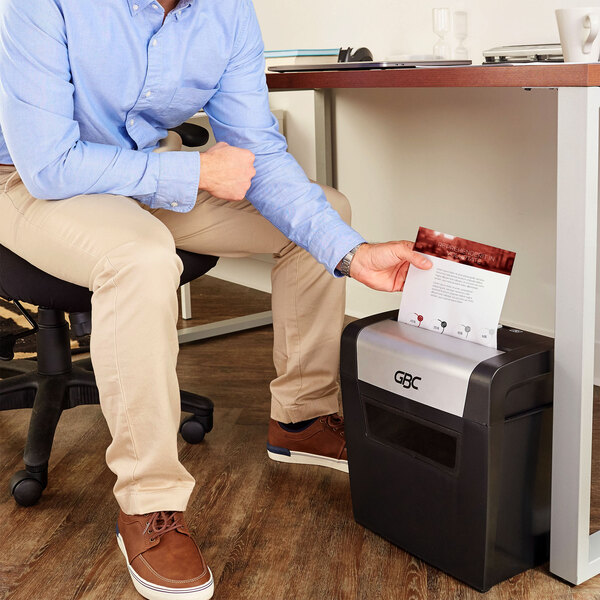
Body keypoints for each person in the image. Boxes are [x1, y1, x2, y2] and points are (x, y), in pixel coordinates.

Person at [0, 0, 431, 598]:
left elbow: (262, 152)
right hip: (29, 180)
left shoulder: (226, 13)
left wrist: (352, 254)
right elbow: (50, 165)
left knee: (325, 217)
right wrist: (194, 174)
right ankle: (149, 503)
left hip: (147, 171)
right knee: (141, 256)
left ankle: (301, 417)